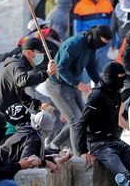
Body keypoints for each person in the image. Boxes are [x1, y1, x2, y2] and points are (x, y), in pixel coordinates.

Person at [44, 25, 112, 155]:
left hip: (71, 84)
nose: (102, 45)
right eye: (102, 42)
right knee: (76, 120)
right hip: (58, 84)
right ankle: (79, 156)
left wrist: (101, 85)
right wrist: (78, 84)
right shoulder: (74, 45)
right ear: (95, 37)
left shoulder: (92, 46)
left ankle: (53, 146)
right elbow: (61, 68)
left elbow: (91, 67)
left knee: (83, 118)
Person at [76, 62, 130, 181]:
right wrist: (82, 151)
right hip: (99, 145)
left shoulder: (116, 94)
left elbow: (116, 119)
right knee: (125, 176)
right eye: (120, 79)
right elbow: (82, 122)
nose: (123, 83)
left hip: (115, 141)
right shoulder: (96, 96)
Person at [0, 38, 57, 114]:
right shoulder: (16, 65)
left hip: (4, 113)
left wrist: (40, 105)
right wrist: (47, 73)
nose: (41, 56)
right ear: (28, 53)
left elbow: (21, 96)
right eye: (39, 53)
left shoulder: (20, 66)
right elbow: (24, 80)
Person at [0, 111, 41, 186]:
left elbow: (0, 167)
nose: (5, 129)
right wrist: (19, 165)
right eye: (3, 126)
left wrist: (22, 163)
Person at [1, 104, 65, 173]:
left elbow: (29, 152)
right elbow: (26, 161)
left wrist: (52, 157)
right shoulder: (33, 137)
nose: (51, 129)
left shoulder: (24, 132)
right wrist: (46, 163)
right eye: (48, 127)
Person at [73, 0, 114, 73]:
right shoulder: (79, 6)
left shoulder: (107, 4)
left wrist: (114, 45)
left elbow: (113, 27)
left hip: (105, 46)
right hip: (88, 46)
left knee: (106, 73)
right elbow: (77, 29)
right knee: (88, 75)